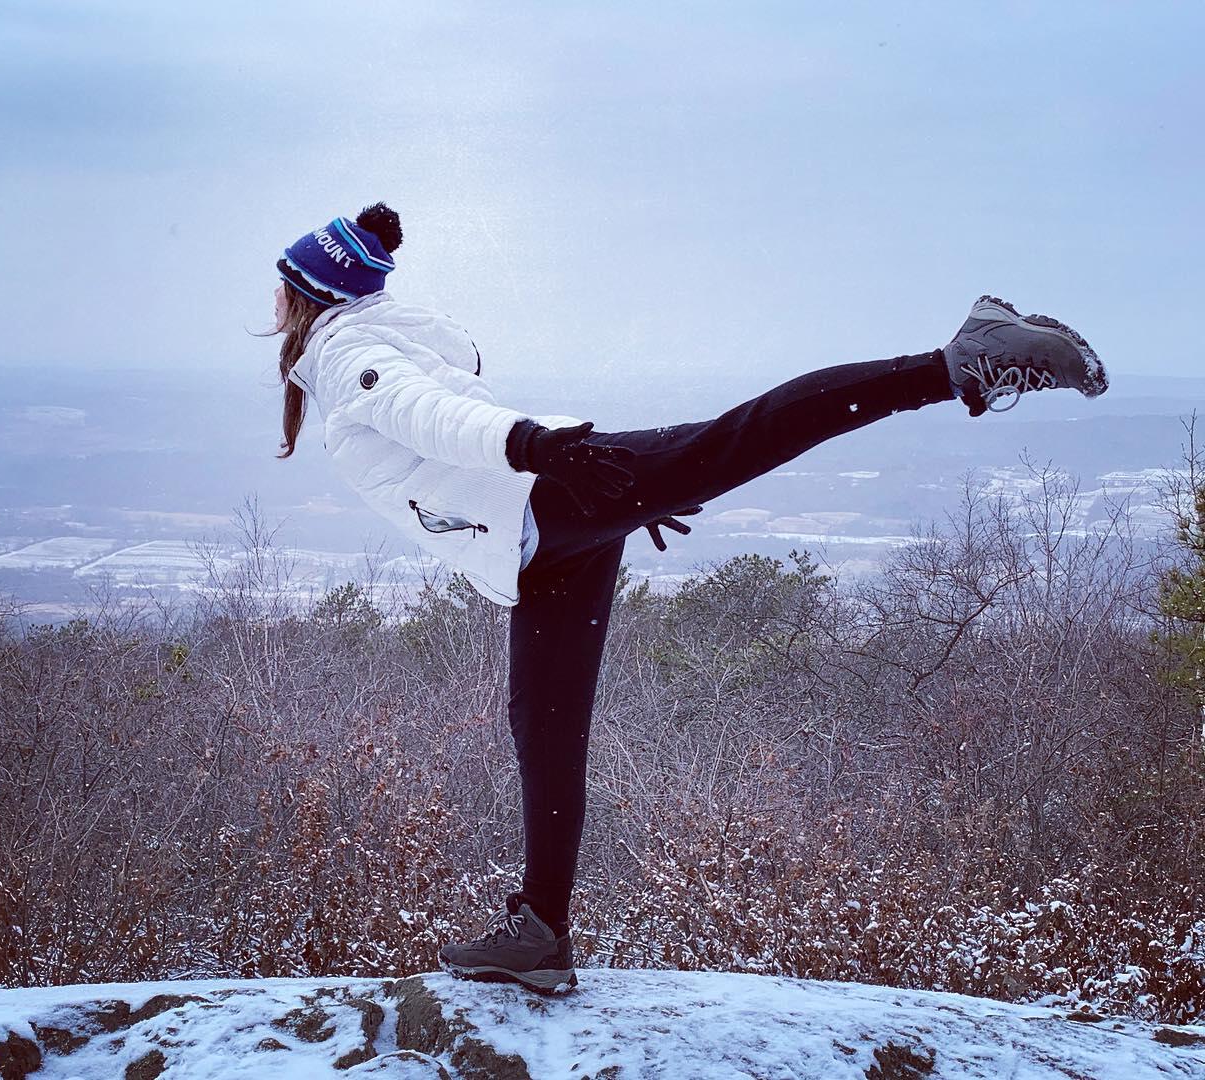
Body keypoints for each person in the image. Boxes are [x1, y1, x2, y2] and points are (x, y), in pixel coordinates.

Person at [269, 201, 1108, 995]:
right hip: (539, 541)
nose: (275, 299)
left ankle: (956, 361)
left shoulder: (346, 351)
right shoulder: (363, 336)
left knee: (746, 433)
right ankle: (541, 934)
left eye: (282, 284)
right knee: (545, 726)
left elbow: (422, 412)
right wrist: (610, 500)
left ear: (308, 292)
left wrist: (532, 449)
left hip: (548, 498)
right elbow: (436, 420)